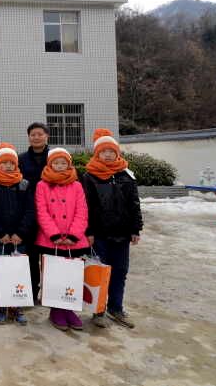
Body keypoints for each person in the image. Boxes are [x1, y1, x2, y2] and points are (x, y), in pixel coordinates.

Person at [82, 128, 143, 329]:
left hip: (122, 233)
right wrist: (89, 231)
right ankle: (98, 310)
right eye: (103, 151)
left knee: (120, 271)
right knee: (99, 272)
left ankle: (116, 308)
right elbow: (86, 206)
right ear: (97, 153)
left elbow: (134, 204)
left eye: (111, 151)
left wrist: (135, 228)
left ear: (117, 153)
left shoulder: (126, 175)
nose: (107, 155)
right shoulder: (89, 176)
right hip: (100, 234)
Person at [35, 147, 89, 332]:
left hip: (74, 240)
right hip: (51, 239)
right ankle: (56, 310)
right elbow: (41, 211)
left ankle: (69, 309)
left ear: (69, 164)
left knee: (72, 276)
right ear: (50, 165)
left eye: (63, 163)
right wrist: (54, 234)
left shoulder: (77, 185)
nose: (59, 166)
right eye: (56, 163)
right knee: (54, 276)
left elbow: (82, 211)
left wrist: (74, 235)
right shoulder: (42, 185)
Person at [0, 143, 35, 325]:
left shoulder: (24, 184)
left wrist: (21, 232)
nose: (8, 166)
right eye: (4, 163)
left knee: (18, 272)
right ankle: (0, 307)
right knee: (0, 273)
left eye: (12, 163)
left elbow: (30, 210)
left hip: (19, 238)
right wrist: (0, 232)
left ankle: (16, 306)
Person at [18, 122, 51, 303]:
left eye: (40, 134)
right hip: (28, 213)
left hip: (52, 214)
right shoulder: (21, 159)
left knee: (50, 258)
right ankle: (31, 291)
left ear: (47, 136)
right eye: (33, 134)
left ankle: (51, 294)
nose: (36, 137)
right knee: (30, 257)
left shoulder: (54, 157)